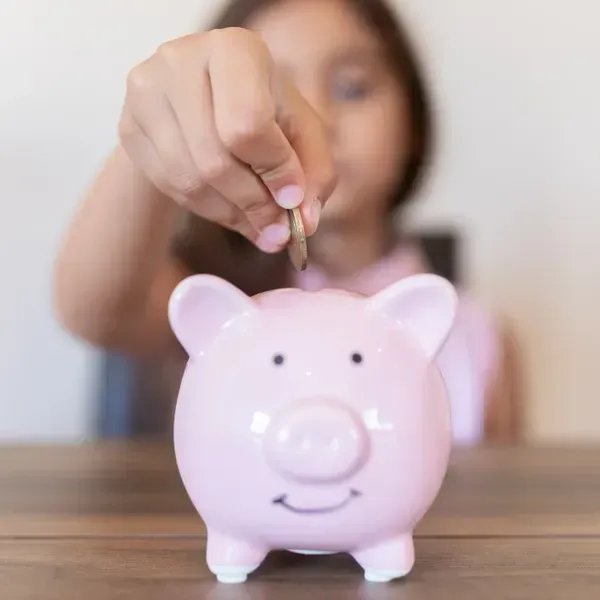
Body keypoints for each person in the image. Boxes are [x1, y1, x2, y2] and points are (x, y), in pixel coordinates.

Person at [53, 0, 521, 443]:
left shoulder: (477, 336)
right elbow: (95, 310)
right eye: (272, 96)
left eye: (352, 88)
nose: (316, 117)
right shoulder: (213, 305)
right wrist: (156, 139)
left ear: (414, 124)